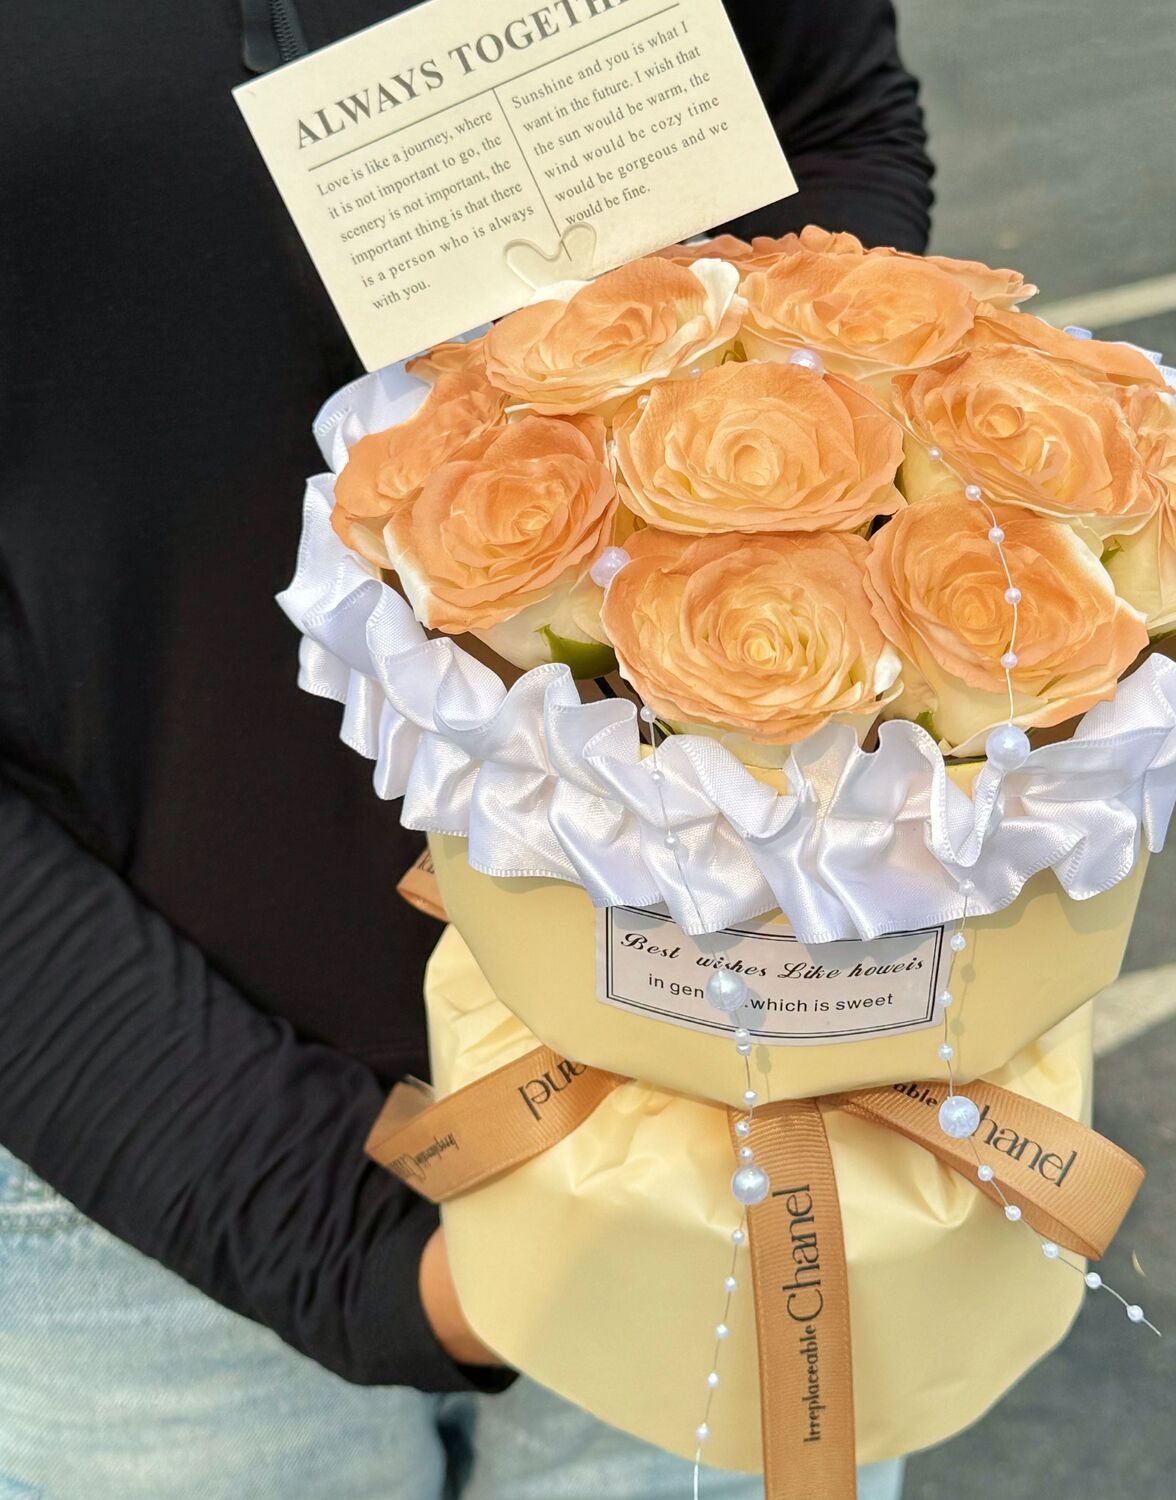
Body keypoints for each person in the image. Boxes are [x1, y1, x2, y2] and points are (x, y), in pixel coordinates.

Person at [0, 1, 932, 1496]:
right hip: (128, 1166)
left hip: (732, 1064)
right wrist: (323, 1226)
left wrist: (748, 461)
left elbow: (822, 112)